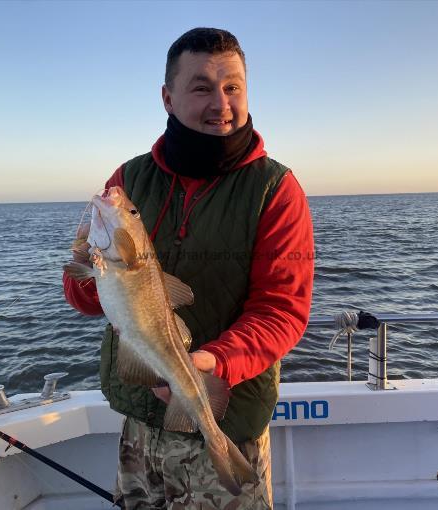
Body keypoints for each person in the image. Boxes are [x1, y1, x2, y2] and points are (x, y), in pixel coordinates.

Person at [63, 27, 314, 509]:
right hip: (140, 422)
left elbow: (282, 311)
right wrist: (87, 267)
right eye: (201, 87)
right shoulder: (130, 178)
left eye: (233, 87)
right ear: (167, 98)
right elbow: (82, 300)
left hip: (224, 417)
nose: (221, 103)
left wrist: (211, 364)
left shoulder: (275, 190)